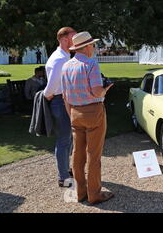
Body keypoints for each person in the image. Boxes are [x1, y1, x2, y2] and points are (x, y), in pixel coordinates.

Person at [61, 31, 114, 204]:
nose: (94, 48)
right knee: (94, 155)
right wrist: (107, 89)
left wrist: (71, 115)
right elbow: (97, 90)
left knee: (77, 155)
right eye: (93, 45)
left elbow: (65, 96)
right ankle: (94, 194)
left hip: (75, 112)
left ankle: (80, 192)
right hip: (93, 112)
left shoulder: (66, 66)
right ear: (87, 46)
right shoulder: (91, 63)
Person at [43, 27, 77, 187]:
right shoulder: (59, 59)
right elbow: (51, 87)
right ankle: (63, 177)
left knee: (67, 138)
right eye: (73, 37)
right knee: (63, 140)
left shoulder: (64, 56)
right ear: (64, 39)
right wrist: (49, 96)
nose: (76, 41)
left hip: (64, 100)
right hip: (59, 101)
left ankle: (65, 169)